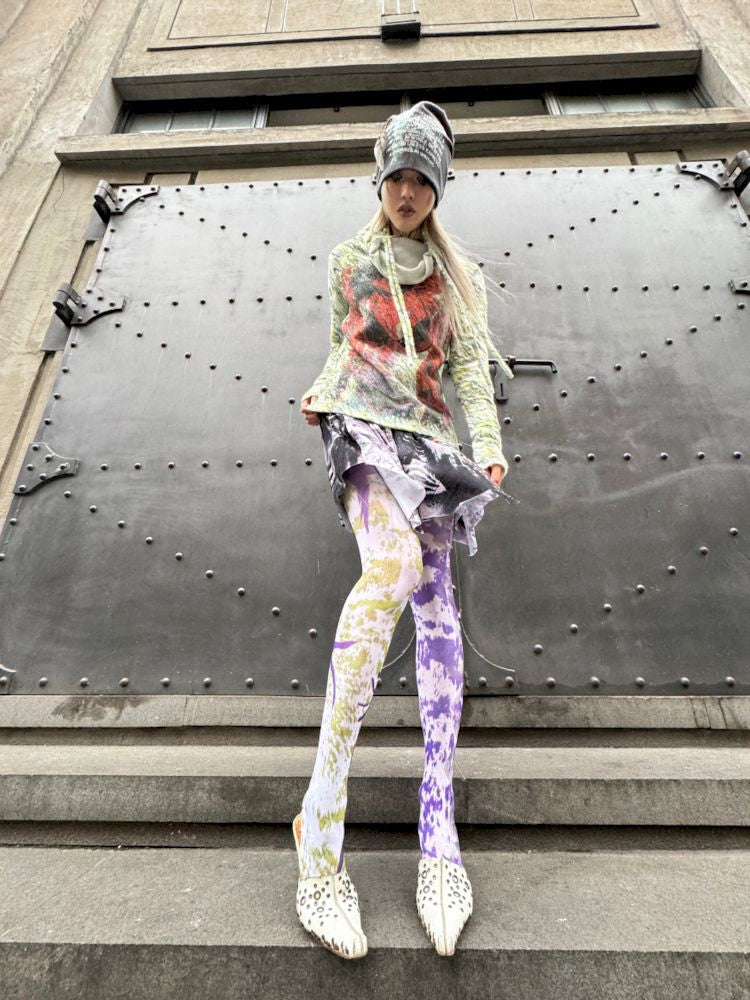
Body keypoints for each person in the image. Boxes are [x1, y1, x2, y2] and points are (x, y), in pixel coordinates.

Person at [293, 100, 514, 960]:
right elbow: (346, 345)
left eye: (424, 178)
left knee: (438, 616)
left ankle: (438, 833)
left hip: (427, 444)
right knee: (388, 566)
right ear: (380, 180)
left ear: (440, 187)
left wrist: (487, 449)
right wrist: (327, 392)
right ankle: (319, 836)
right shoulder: (350, 259)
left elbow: (468, 370)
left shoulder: (460, 278)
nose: (409, 191)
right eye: (398, 176)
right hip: (360, 426)